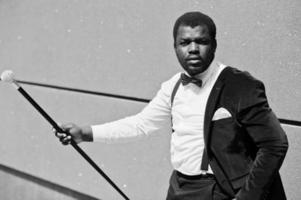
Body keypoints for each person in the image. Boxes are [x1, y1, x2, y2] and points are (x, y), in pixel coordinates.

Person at [54, 12, 288, 200]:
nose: (193, 49)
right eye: (185, 42)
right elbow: (141, 124)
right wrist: (85, 133)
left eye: (201, 41)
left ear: (214, 45)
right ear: (175, 47)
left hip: (220, 190)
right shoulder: (172, 86)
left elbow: (275, 144)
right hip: (180, 188)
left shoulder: (240, 85)